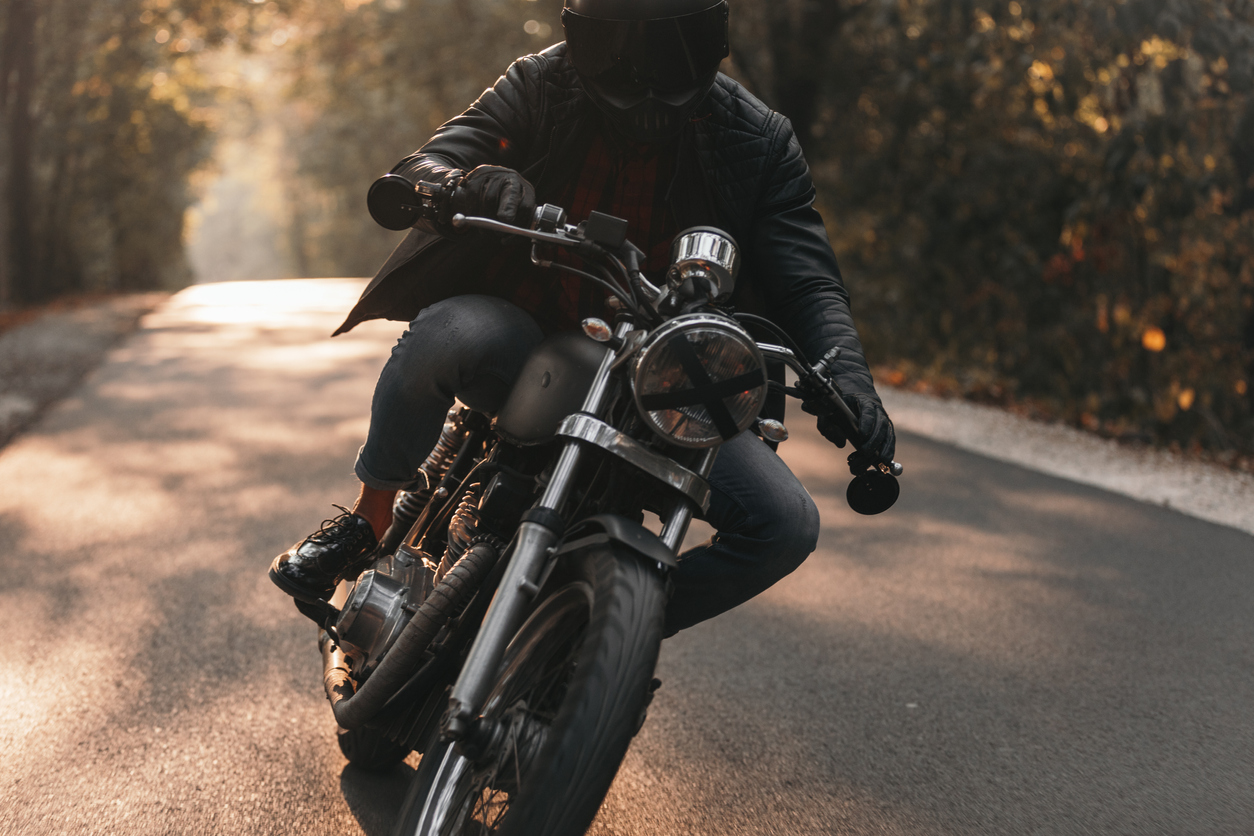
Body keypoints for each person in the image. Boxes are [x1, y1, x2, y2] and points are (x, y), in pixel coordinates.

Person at [269, 0, 895, 634]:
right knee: (450, 332)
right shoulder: (541, 83)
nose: (650, 80)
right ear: (589, 38)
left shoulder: (759, 140)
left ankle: (597, 639)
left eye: (673, 52)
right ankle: (368, 519)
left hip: (669, 382)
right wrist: (471, 182)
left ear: (711, 40)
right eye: (628, 52)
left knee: (784, 525)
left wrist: (850, 379)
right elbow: (427, 162)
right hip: (525, 338)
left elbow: (810, 282)